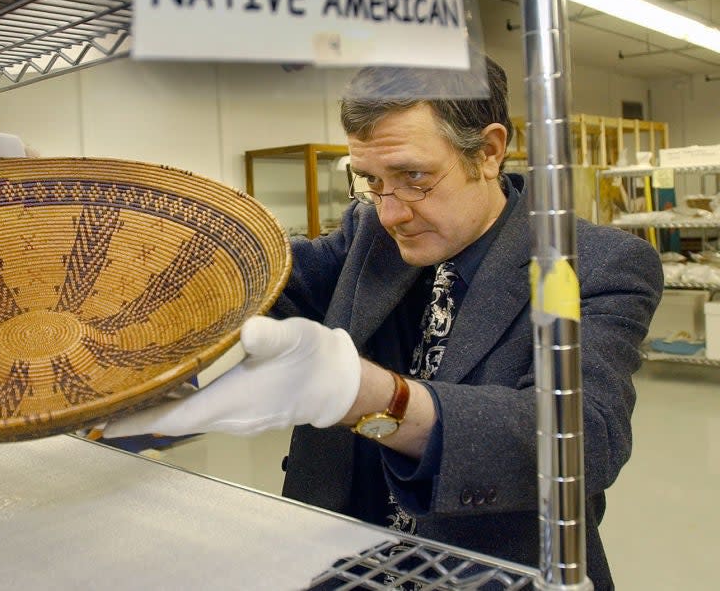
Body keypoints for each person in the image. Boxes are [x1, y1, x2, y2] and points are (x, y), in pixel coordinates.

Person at [102, 56, 663, 590]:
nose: (391, 211)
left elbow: (584, 436)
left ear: (489, 151)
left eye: (414, 176)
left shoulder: (582, 263)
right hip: (336, 562)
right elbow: (265, 282)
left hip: (490, 571)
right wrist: (117, 254)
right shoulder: (371, 234)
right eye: (370, 180)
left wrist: (369, 397)